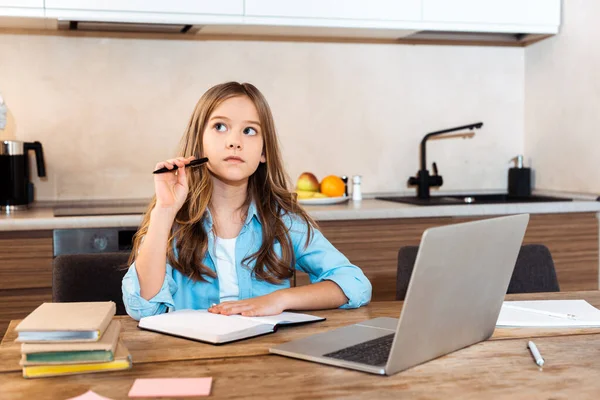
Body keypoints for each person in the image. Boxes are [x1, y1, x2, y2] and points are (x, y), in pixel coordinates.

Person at [122, 82, 372, 321]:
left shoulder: (283, 220)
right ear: (199, 142)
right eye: (220, 127)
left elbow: (355, 284)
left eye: (249, 131)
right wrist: (164, 211)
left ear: (264, 151)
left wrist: (279, 299)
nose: (234, 141)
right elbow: (144, 307)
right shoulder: (172, 221)